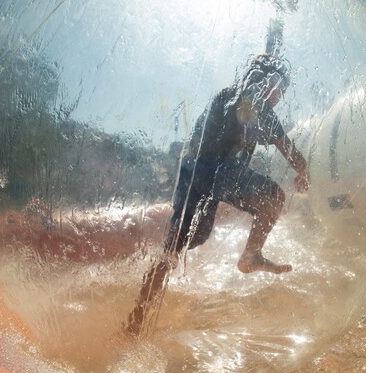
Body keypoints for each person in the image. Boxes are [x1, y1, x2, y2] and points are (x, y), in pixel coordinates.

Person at [126, 54, 309, 335]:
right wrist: (304, 171)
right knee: (273, 197)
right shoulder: (248, 103)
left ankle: (136, 319)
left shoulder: (228, 95)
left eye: (282, 93)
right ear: (264, 81)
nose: (279, 98)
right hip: (213, 170)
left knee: (185, 241)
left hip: (192, 173)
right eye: (278, 90)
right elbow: (287, 148)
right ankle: (252, 255)